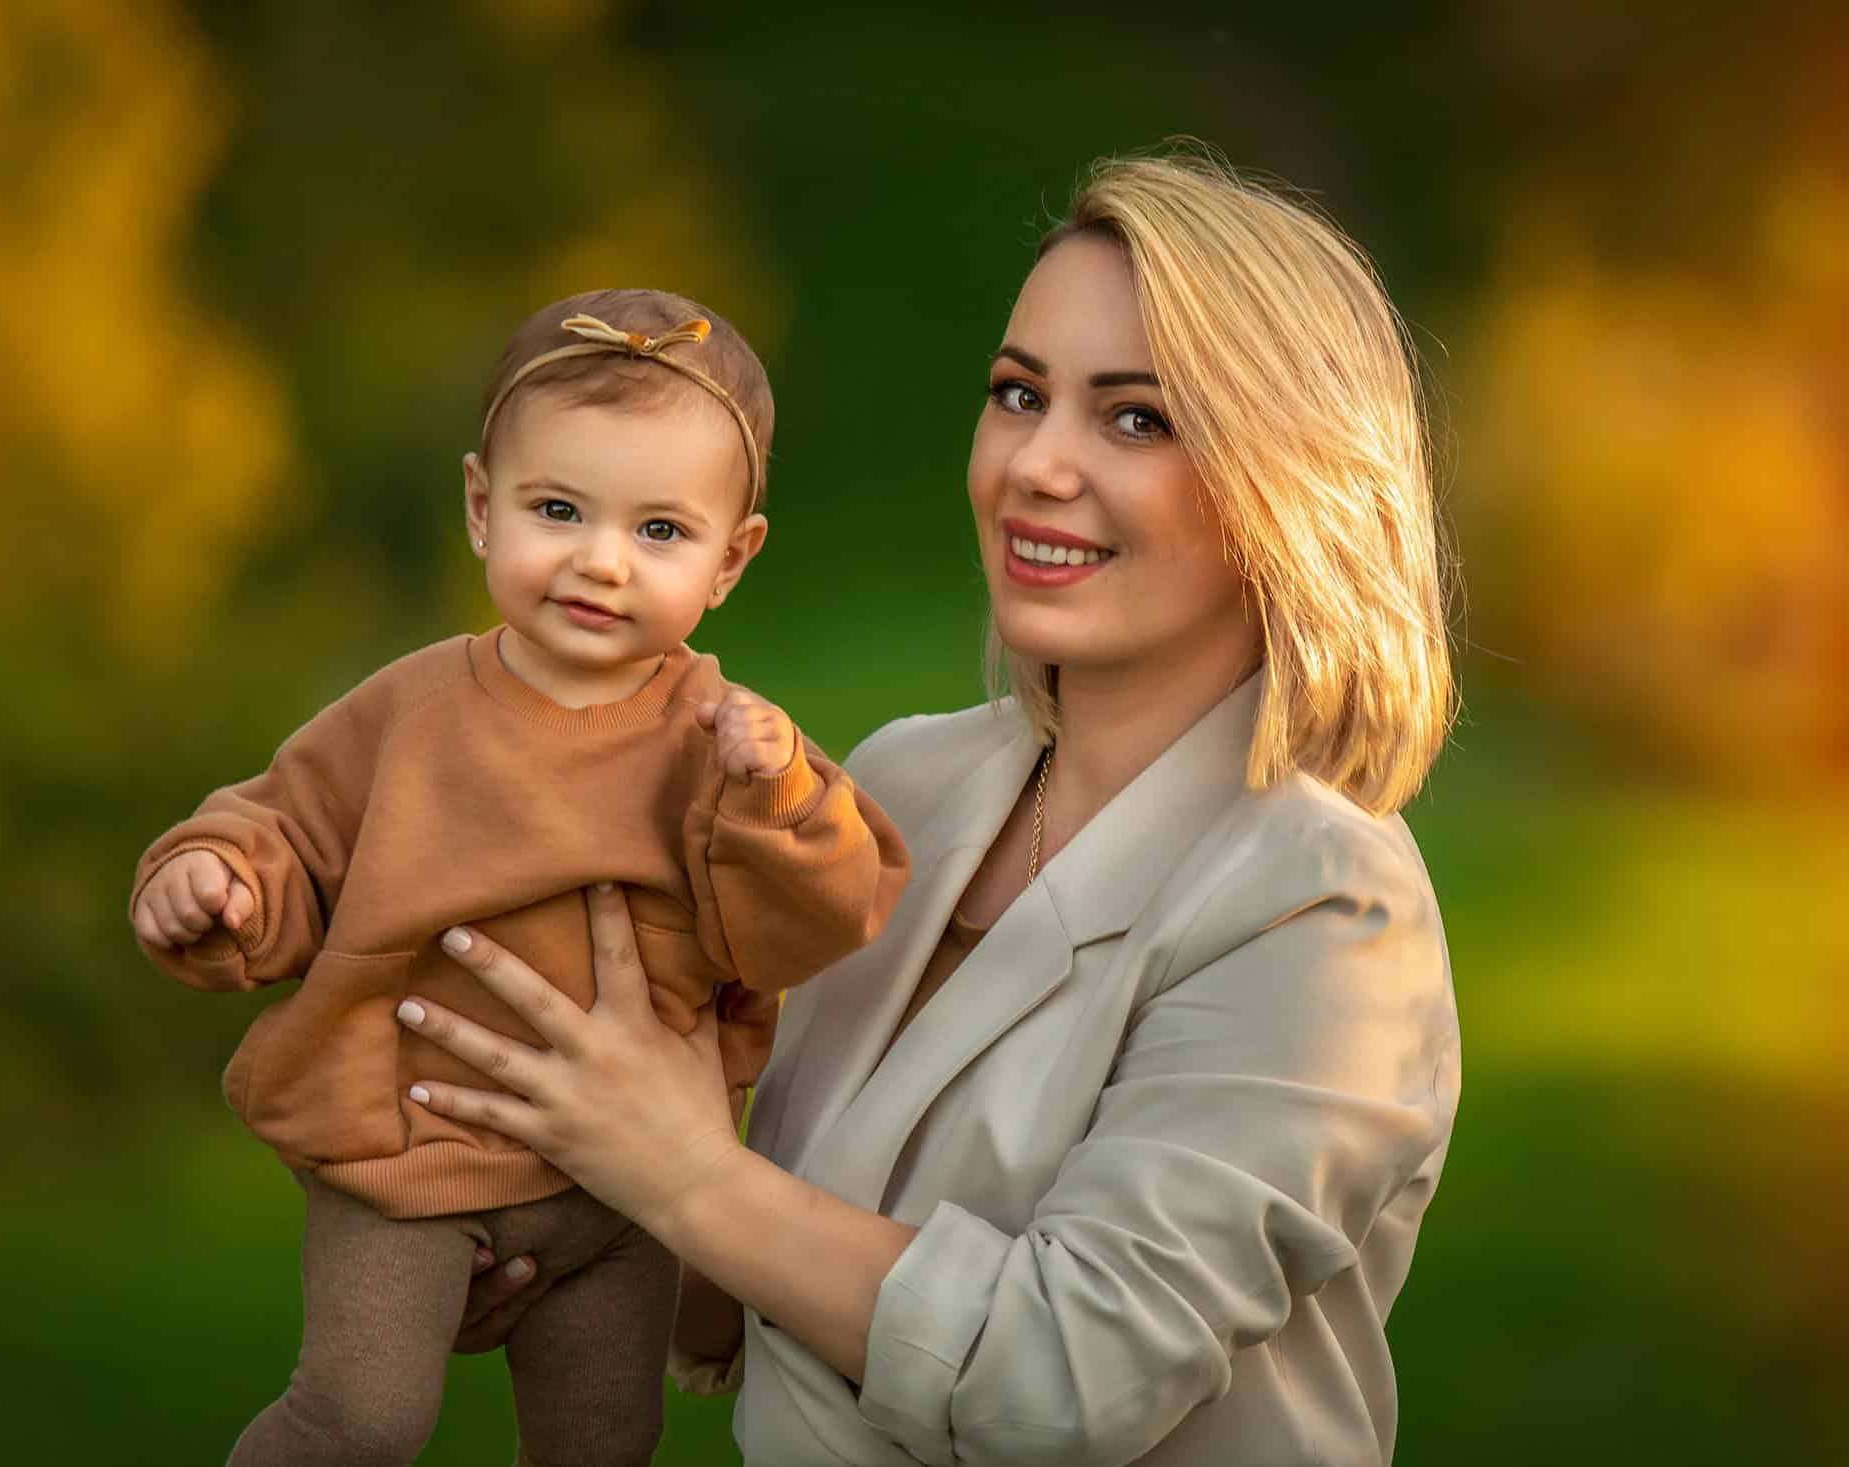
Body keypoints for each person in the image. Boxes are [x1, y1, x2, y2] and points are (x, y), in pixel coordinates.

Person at [401, 151, 1461, 1466]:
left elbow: (1060, 1378)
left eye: (1135, 417)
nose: (1037, 465)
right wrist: (561, 1226)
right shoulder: (900, 784)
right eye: (1021, 395)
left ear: (1283, 479)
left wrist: (678, 1170)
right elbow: (772, 1260)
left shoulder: (1320, 901)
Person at [128, 286, 910, 1467]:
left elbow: (808, 924)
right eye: (558, 509)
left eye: (659, 532)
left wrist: (775, 800)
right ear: (481, 509)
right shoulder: (410, 712)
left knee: (601, 1441)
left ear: (730, 562)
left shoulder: (727, 741)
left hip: (623, 1191)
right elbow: (284, 831)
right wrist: (213, 878)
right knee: (363, 1422)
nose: (599, 562)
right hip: (403, 1155)